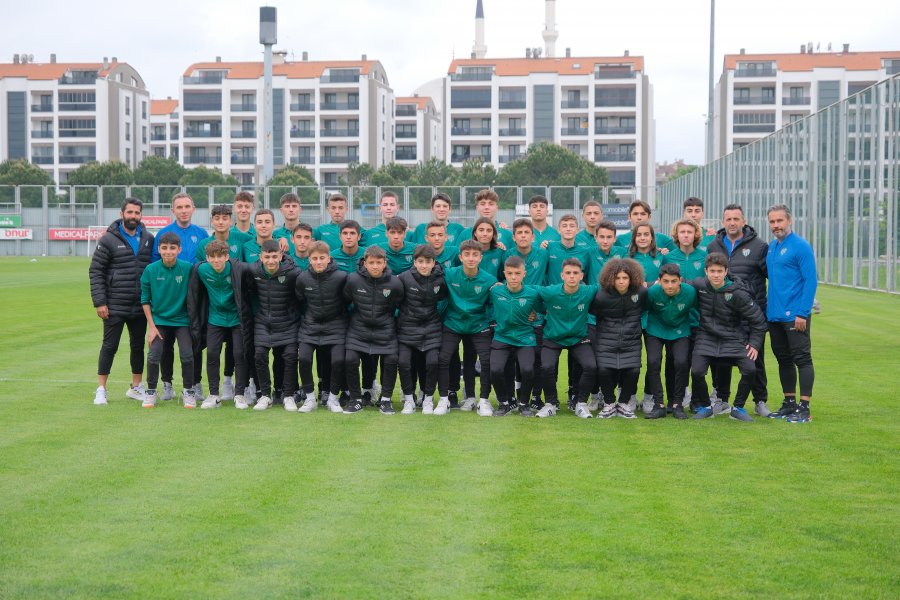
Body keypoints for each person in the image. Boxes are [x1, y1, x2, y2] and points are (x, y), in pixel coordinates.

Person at [89, 198, 154, 405]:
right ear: (122, 214)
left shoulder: (148, 238)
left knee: (138, 347)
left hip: (140, 305)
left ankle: (136, 387)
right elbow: (96, 271)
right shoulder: (108, 239)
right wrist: (100, 302)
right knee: (109, 346)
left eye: (137, 213)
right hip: (114, 305)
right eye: (130, 212)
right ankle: (101, 389)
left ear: (141, 215)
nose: (133, 216)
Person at [707, 204, 770, 416]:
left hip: (751, 314)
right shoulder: (713, 245)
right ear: (723, 222)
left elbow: (773, 276)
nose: (732, 223)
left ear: (744, 221)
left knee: (755, 358)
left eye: (736, 219)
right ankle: (722, 400)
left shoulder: (760, 246)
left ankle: (760, 401)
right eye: (728, 219)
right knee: (721, 360)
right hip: (724, 316)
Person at [688, 253, 767, 421]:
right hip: (706, 336)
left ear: (726, 272)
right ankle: (706, 407)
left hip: (733, 337)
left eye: (719, 271)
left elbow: (758, 320)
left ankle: (738, 408)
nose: (716, 275)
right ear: (706, 271)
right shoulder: (699, 285)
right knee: (697, 371)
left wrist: (754, 344)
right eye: (712, 271)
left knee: (750, 370)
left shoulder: (738, 293)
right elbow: (679, 286)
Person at [765, 204, 817, 423]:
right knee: (783, 359)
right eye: (772, 221)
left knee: (802, 359)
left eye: (780, 220)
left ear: (789, 221)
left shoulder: (801, 246)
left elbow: (811, 280)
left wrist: (803, 313)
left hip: (795, 315)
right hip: (774, 315)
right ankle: (789, 403)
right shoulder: (772, 247)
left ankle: (804, 408)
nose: (776, 225)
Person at [187, 240, 252, 409]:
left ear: (227, 256)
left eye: (220, 256)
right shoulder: (201, 270)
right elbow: (194, 294)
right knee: (212, 354)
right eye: (212, 257)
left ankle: (240, 394)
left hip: (236, 318)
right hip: (215, 318)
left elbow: (259, 269)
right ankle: (214, 395)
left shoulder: (239, 269)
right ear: (207, 258)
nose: (216, 260)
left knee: (239, 354)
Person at [435, 240, 496, 416]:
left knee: (485, 361)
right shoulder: (449, 274)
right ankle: (444, 399)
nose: (471, 258)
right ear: (460, 257)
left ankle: (482, 400)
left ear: (480, 258)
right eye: (467, 255)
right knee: (443, 359)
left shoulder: (489, 280)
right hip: (453, 323)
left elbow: (493, 304)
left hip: (478, 325)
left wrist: (491, 323)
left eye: (475, 255)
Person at [342, 245, 404, 414]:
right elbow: (345, 301)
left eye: (378, 262)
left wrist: (389, 319)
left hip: (385, 329)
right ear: (365, 263)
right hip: (358, 329)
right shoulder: (353, 280)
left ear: (385, 263)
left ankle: (386, 400)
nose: (375, 266)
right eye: (371, 262)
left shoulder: (395, 282)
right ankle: (356, 399)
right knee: (350, 359)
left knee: (391, 359)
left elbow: (400, 304)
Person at [535, 258, 598, 418]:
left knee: (591, 366)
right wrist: (536, 310)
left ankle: (581, 404)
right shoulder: (550, 291)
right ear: (562, 275)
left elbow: (609, 287)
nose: (571, 276)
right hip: (553, 337)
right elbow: (528, 291)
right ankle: (550, 404)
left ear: (581, 276)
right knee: (546, 367)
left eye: (575, 273)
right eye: (568, 273)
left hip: (578, 337)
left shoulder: (589, 291)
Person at [139, 232, 195, 408]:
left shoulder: (188, 268)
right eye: (164, 248)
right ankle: (152, 391)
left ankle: (188, 391)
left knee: (187, 354)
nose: (168, 251)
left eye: (172, 248)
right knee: (154, 355)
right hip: (159, 321)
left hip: (182, 320)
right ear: (159, 249)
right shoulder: (150, 270)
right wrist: (151, 326)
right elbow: (145, 300)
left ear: (179, 249)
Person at [246, 240, 301, 411]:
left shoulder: (293, 273)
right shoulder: (253, 271)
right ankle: (265, 396)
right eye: (267, 257)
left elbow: (299, 296)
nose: (271, 261)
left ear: (281, 256)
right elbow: (250, 292)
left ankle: (289, 396)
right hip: (263, 322)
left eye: (274, 256)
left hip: (288, 322)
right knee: (260, 356)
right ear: (261, 257)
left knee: (290, 357)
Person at [294, 241, 348, 414]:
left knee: (338, 361)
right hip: (310, 327)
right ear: (309, 260)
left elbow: (347, 300)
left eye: (322, 258)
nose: (319, 262)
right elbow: (301, 301)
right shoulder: (302, 278)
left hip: (336, 326)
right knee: (304, 359)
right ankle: (310, 399)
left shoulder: (341, 277)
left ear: (329, 258)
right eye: (315, 258)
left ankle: (333, 398)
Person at [502, 218, 549, 408]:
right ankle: (514, 396)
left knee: (536, 358)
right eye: (519, 233)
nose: (523, 236)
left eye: (526, 232)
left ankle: (536, 397)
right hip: (515, 316)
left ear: (533, 236)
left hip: (536, 315)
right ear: (513, 237)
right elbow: (502, 284)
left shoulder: (543, 253)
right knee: (512, 360)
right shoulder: (507, 254)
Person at [592, 258, 647, 419]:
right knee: (603, 370)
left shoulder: (641, 293)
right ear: (611, 278)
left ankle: (623, 404)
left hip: (631, 339)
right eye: (617, 278)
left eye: (625, 278)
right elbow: (594, 312)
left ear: (632, 278)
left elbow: (647, 306)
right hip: (606, 338)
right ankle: (609, 404)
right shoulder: (601, 296)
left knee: (634, 370)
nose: (621, 281)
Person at [396, 245, 447, 414]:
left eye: (427, 262)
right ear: (415, 262)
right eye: (420, 261)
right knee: (404, 362)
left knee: (432, 362)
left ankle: (428, 400)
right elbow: (395, 301)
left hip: (432, 329)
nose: (424, 265)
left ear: (433, 263)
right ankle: (409, 400)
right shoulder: (403, 278)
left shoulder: (440, 280)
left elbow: (445, 297)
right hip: (407, 329)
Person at [643, 263, 697, 420]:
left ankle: (677, 404)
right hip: (656, 328)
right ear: (659, 280)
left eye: (674, 281)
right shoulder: (652, 292)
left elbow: (698, 309)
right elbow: (645, 309)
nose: (670, 285)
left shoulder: (690, 292)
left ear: (680, 280)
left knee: (681, 362)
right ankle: (658, 405)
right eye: (666, 281)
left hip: (680, 329)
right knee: (653, 362)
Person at [490, 256, 542, 416]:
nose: (513, 277)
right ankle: (504, 403)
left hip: (524, 337)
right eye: (510, 273)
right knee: (495, 370)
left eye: (517, 273)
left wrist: (535, 315)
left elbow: (542, 310)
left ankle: (524, 404)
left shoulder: (532, 294)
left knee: (527, 370)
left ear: (524, 274)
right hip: (502, 336)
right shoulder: (495, 291)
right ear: (504, 273)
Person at [151, 192, 207, 264]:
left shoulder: (202, 233)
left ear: (193, 209)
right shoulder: (162, 233)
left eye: (187, 206)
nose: (184, 211)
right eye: (179, 207)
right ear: (173, 211)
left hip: (196, 271)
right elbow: (155, 260)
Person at [545, 214, 592, 285]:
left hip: (575, 292)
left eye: (572, 226)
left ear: (577, 230)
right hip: (553, 291)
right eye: (564, 226)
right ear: (559, 230)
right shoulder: (549, 247)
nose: (568, 229)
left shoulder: (585, 252)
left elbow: (586, 278)